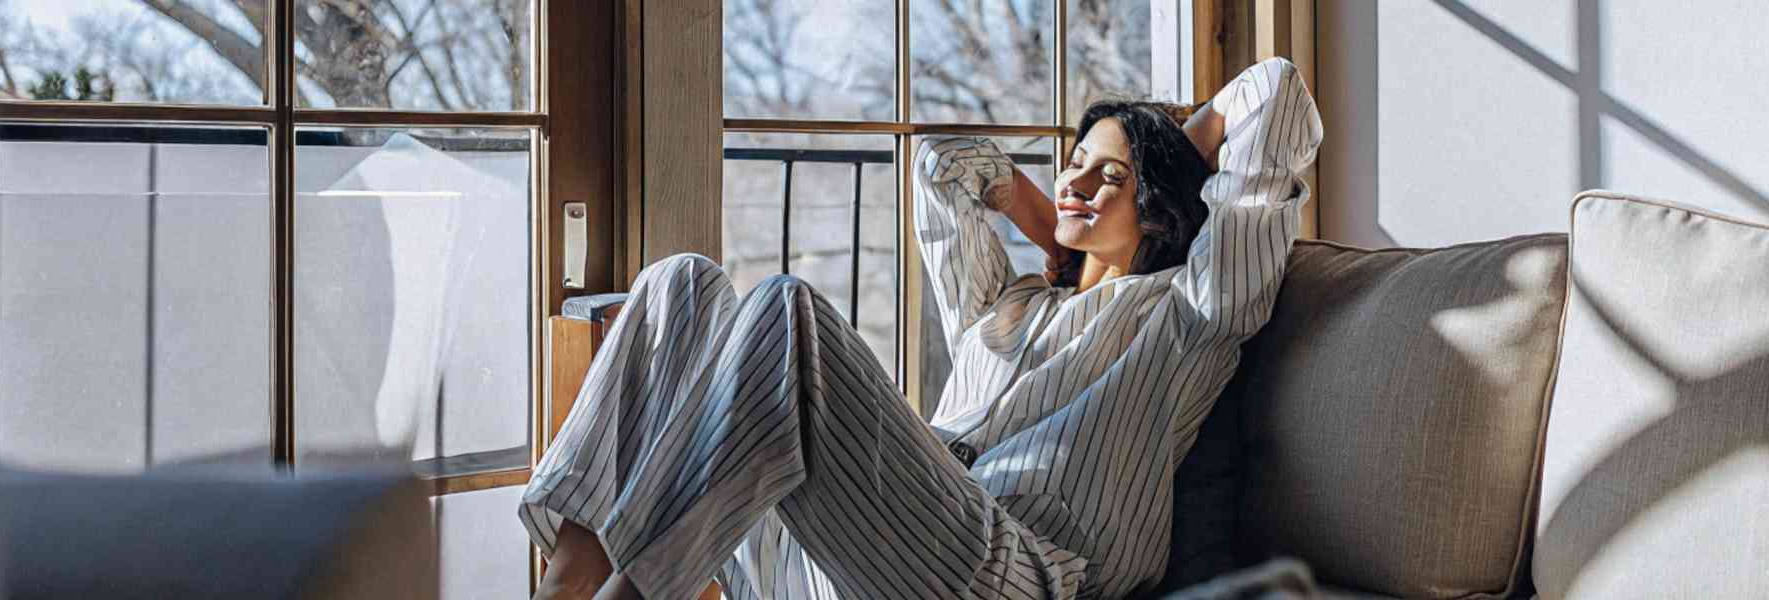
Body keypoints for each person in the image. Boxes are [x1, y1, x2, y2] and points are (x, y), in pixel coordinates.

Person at [520, 57, 1322, 600]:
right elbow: (943, 164)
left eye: (1109, 175)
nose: (1076, 178)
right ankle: (564, 583)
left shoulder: (1191, 312)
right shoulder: (1008, 306)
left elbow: (1275, 91)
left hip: (1008, 571)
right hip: (860, 556)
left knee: (783, 308)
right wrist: (1050, 221)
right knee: (678, 284)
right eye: (1073, 161)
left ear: (1162, 209)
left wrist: (1173, 151)